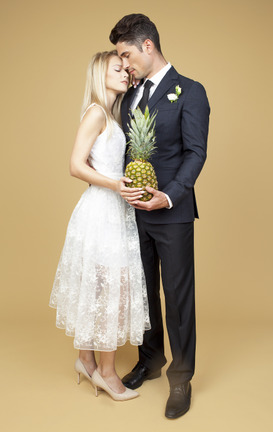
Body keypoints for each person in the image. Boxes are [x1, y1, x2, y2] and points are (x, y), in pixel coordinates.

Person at [109, 14, 210, 418]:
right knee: (143, 290)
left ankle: (181, 377)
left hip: (171, 211)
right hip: (133, 211)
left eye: (127, 54)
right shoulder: (130, 95)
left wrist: (167, 197)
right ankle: (149, 360)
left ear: (147, 46)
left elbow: (195, 152)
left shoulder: (190, 91)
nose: (125, 63)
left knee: (178, 297)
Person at [49, 50, 151, 401]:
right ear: (99, 74)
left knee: (100, 286)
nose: (126, 73)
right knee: (113, 290)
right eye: (118, 69)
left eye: (127, 69)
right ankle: (107, 374)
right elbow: (75, 166)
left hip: (111, 209)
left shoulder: (111, 114)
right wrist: (116, 184)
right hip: (102, 209)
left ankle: (85, 360)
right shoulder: (96, 113)